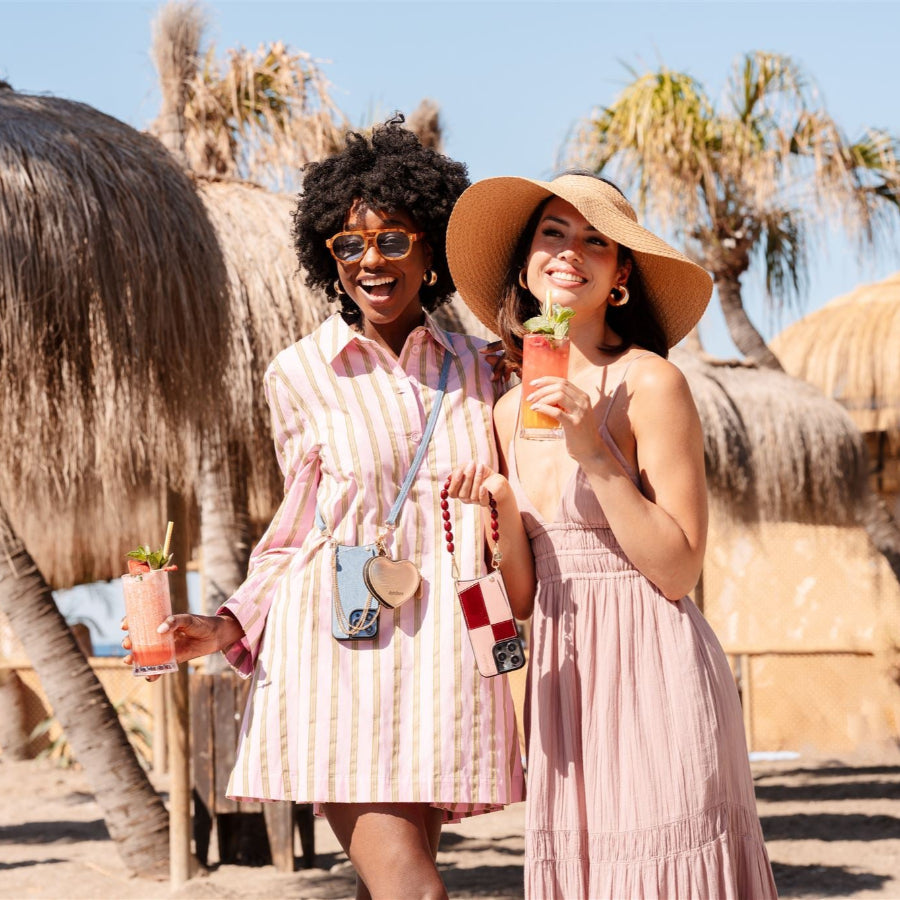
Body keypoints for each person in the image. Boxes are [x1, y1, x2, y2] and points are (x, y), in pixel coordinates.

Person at [124, 117, 524, 900]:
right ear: (327, 257)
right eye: (349, 245)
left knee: (391, 887)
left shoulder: (485, 369)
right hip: (340, 649)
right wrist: (231, 623)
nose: (371, 260)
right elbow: (298, 528)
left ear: (432, 251)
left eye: (393, 239)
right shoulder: (299, 375)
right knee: (416, 891)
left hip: (448, 651)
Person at [444, 172, 778, 898]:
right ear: (526, 268)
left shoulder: (651, 383)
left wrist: (594, 452)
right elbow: (524, 599)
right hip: (564, 679)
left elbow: (678, 571)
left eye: (595, 241)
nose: (570, 251)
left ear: (620, 274)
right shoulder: (505, 412)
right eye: (553, 234)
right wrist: (499, 508)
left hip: (655, 666)